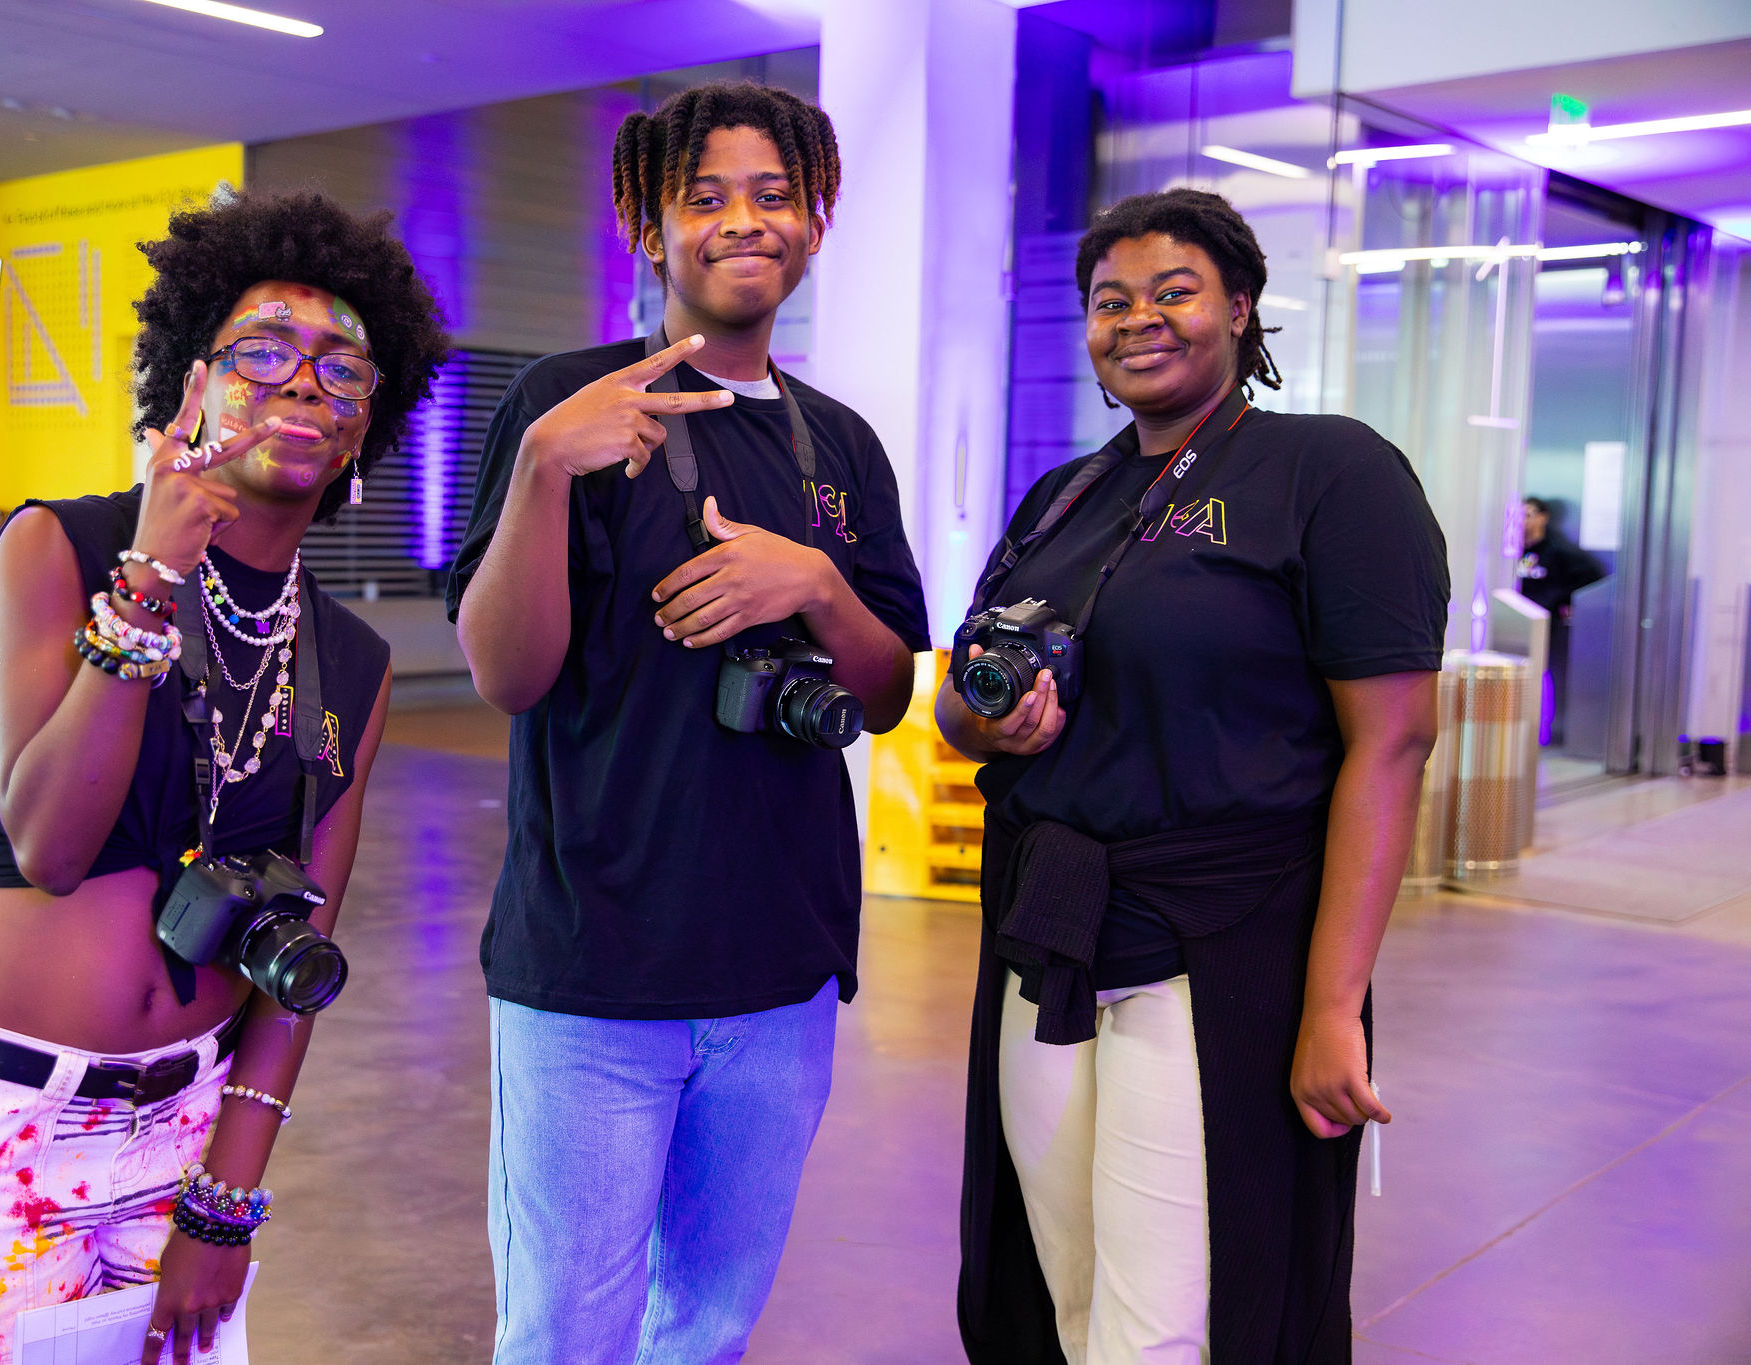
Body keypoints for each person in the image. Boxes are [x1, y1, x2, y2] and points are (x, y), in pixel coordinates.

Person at [0, 189, 449, 1365]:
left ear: (366, 428)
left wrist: (224, 1202)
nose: (302, 382)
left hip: (186, 1133)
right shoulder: (63, 547)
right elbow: (51, 842)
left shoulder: (349, 662)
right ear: (192, 384)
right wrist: (154, 579)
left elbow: (299, 951)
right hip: (1, 1129)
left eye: (341, 371)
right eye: (262, 351)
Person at [446, 81, 930, 1364]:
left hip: (780, 974)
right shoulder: (566, 404)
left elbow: (885, 694)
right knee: (564, 1329)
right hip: (593, 968)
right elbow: (505, 672)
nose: (742, 223)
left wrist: (813, 584)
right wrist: (549, 470)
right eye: (704, 196)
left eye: (773, 195)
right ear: (643, 224)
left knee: (708, 1321)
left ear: (813, 223)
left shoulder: (840, 447)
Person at [937, 188, 1448, 1363]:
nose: (1137, 319)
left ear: (1239, 307)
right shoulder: (1060, 495)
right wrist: (989, 725)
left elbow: (1392, 741)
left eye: (1173, 291)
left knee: (1166, 1319)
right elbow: (964, 701)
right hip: (1049, 932)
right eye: (1108, 301)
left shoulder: (1325, 471)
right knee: (1054, 1285)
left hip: (1217, 942)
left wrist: (1330, 1011)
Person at [1517, 496, 1604, 744]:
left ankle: (1545, 732)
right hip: (1517, 625)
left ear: (1544, 517)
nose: (1525, 520)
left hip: (1547, 625)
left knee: (1544, 677)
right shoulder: (1514, 551)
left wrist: (1564, 601)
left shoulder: (1558, 551)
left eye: (1530, 514)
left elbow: (1590, 576)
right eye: (1520, 514)